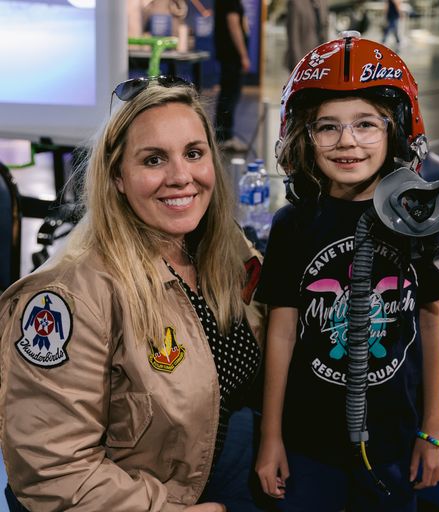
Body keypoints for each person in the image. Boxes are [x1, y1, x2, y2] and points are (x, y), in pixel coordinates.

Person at [0, 76, 266, 511]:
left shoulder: (220, 244)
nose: (182, 177)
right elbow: (54, 472)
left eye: (194, 154)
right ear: (118, 176)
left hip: (224, 458)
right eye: (154, 159)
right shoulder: (68, 295)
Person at [255, 33, 439, 511]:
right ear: (304, 135)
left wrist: (434, 432)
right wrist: (270, 436)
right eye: (328, 127)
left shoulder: (421, 220)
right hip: (308, 441)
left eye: (366, 124)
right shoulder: (293, 225)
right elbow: (281, 331)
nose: (347, 141)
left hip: (393, 438)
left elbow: (432, 319)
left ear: (398, 131)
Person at [214, 0, 251, 153]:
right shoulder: (230, 3)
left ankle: (223, 136)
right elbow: (233, 25)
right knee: (229, 96)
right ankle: (224, 138)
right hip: (231, 56)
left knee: (229, 95)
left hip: (229, 56)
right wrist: (243, 55)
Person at [285, 0, 329, 72]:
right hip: (301, 59)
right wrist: (298, 65)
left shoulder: (323, 2)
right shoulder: (295, 3)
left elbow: (325, 28)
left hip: (319, 60)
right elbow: (293, 37)